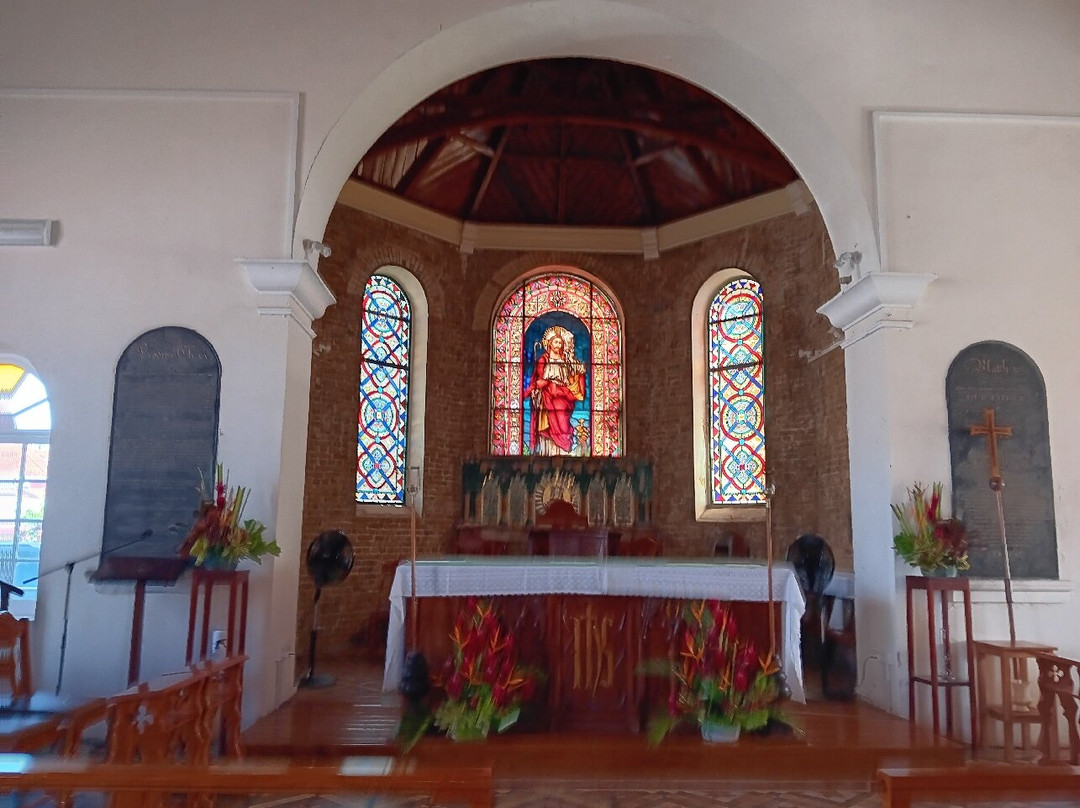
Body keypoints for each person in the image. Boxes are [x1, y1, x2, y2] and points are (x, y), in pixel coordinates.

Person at [525, 325, 586, 454]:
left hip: (563, 395)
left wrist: (578, 373)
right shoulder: (543, 359)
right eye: (556, 342)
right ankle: (548, 451)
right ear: (549, 344)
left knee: (563, 420)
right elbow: (539, 378)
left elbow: (572, 378)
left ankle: (563, 450)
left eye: (560, 342)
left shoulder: (567, 360)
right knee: (549, 421)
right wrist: (542, 385)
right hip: (547, 396)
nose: (558, 345)